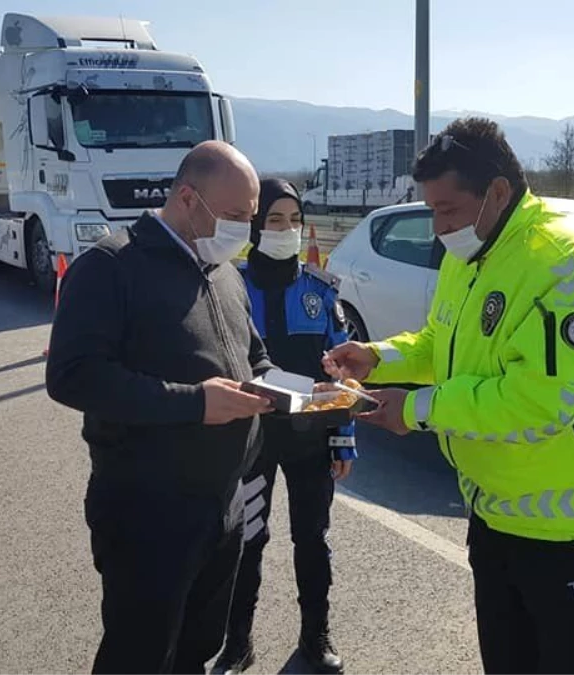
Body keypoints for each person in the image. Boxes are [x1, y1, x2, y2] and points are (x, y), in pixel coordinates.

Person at [324, 117, 574, 675]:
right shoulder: (467, 256)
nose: (438, 227)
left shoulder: (562, 262)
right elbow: (441, 344)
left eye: (447, 210)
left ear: (497, 192)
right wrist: (377, 357)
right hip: (494, 518)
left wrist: (417, 410)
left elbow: (541, 402)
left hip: (572, 535)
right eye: (432, 211)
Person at [45, 140, 277, 675]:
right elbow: (72, 376)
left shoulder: (225, 274)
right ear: (187, 198)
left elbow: (254, 357)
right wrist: (196, 403)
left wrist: (286, 389)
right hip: (146, 512)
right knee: (139, 655)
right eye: (236, 216)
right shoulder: (111, 265)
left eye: (250, 216)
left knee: (196, 651)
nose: (246, 229)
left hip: (222, 506)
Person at [211, 180, 357, 675]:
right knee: (245, 542)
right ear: (254, 226)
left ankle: (316, 636)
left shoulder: (319, 292)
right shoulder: (229, 286)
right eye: (275, 220)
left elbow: (342, 377)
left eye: (295, 220)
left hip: (310, 443)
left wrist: (343, 439)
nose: (287, 230)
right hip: (250, 443)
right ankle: (237, 643)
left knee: (312, 540)